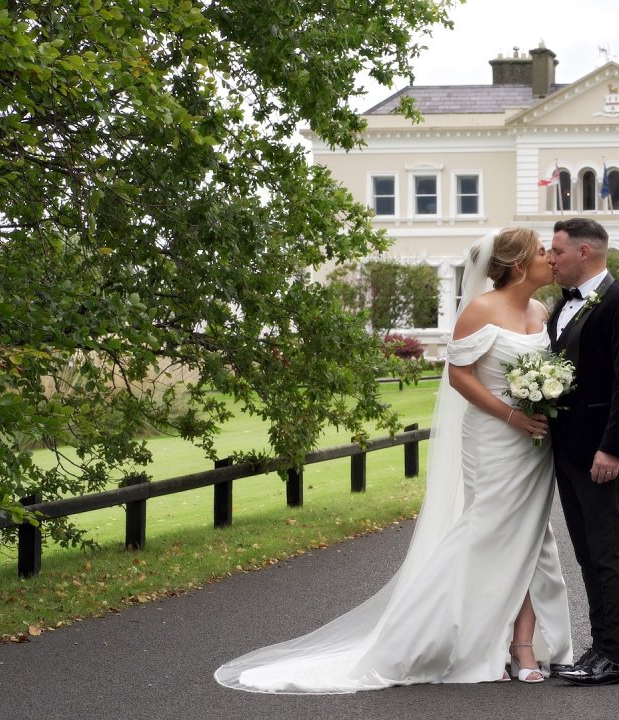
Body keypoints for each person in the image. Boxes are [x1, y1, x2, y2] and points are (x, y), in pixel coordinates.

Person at [215, 227, 572, 693]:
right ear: (520, 264)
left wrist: (541, 405)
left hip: (533, 445)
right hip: (494, 438)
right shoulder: (481, 310)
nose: (551, 258)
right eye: (542, 251)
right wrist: (512, 415)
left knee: (531, 539)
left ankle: (520, 645)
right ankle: (421, 639)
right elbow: (460, 377)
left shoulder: (541, 310)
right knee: (485, 535)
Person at [546, 218, 619, 686]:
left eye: (557, 251)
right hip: (567, 451)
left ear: (585, 252)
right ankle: (599, 648)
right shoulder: (559, 307)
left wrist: (612, 449)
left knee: (608, 551)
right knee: (587, 552)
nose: (550, 259)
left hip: (604, 453)